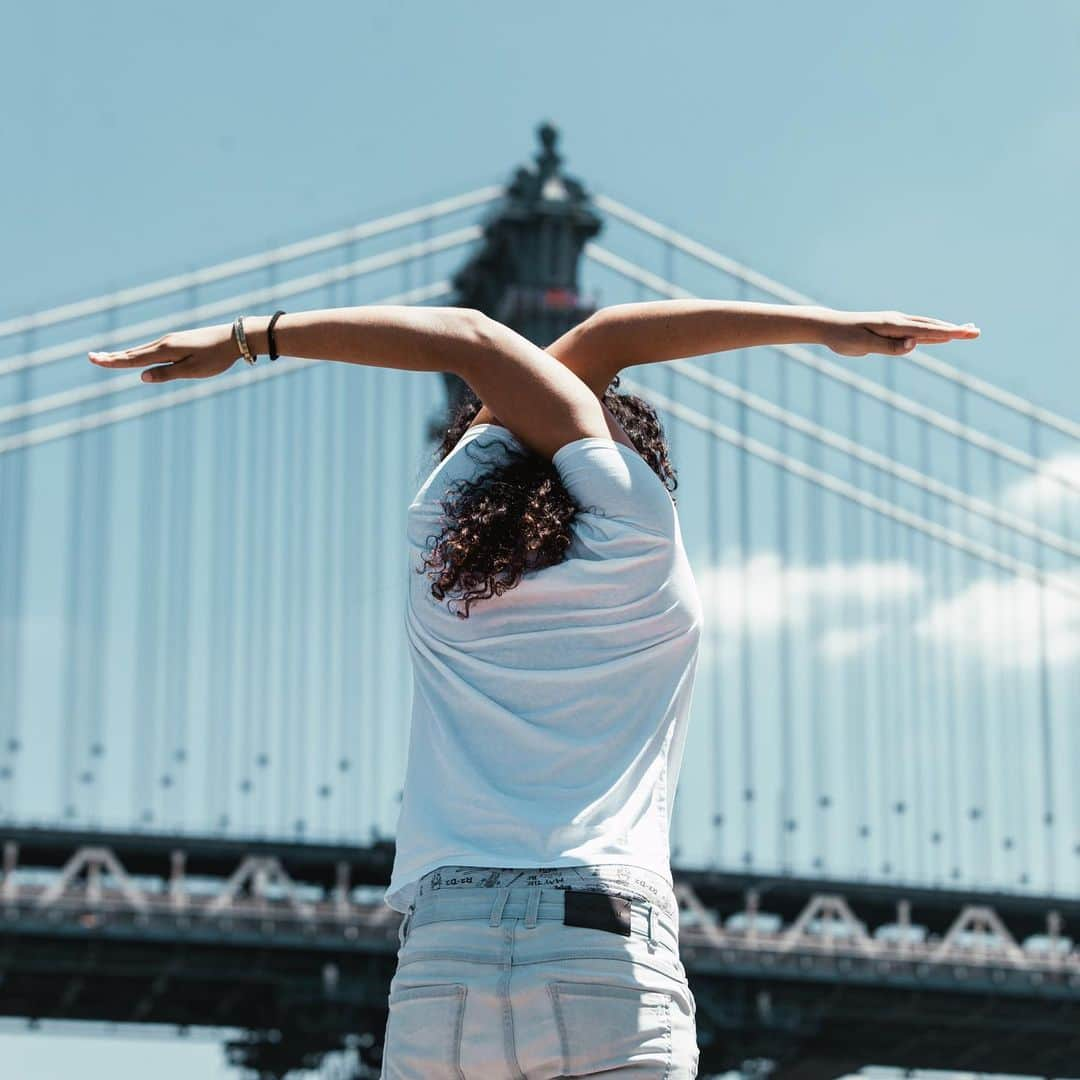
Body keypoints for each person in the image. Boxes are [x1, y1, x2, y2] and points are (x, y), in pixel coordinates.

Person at [89, 301, 978, 1078]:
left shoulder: (439, 544)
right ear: (628, 457)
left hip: (444, 960)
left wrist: (251, 339)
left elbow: (500, 344)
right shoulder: (638, 535)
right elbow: (576, 343)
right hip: (602, 946)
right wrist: (832, 331)